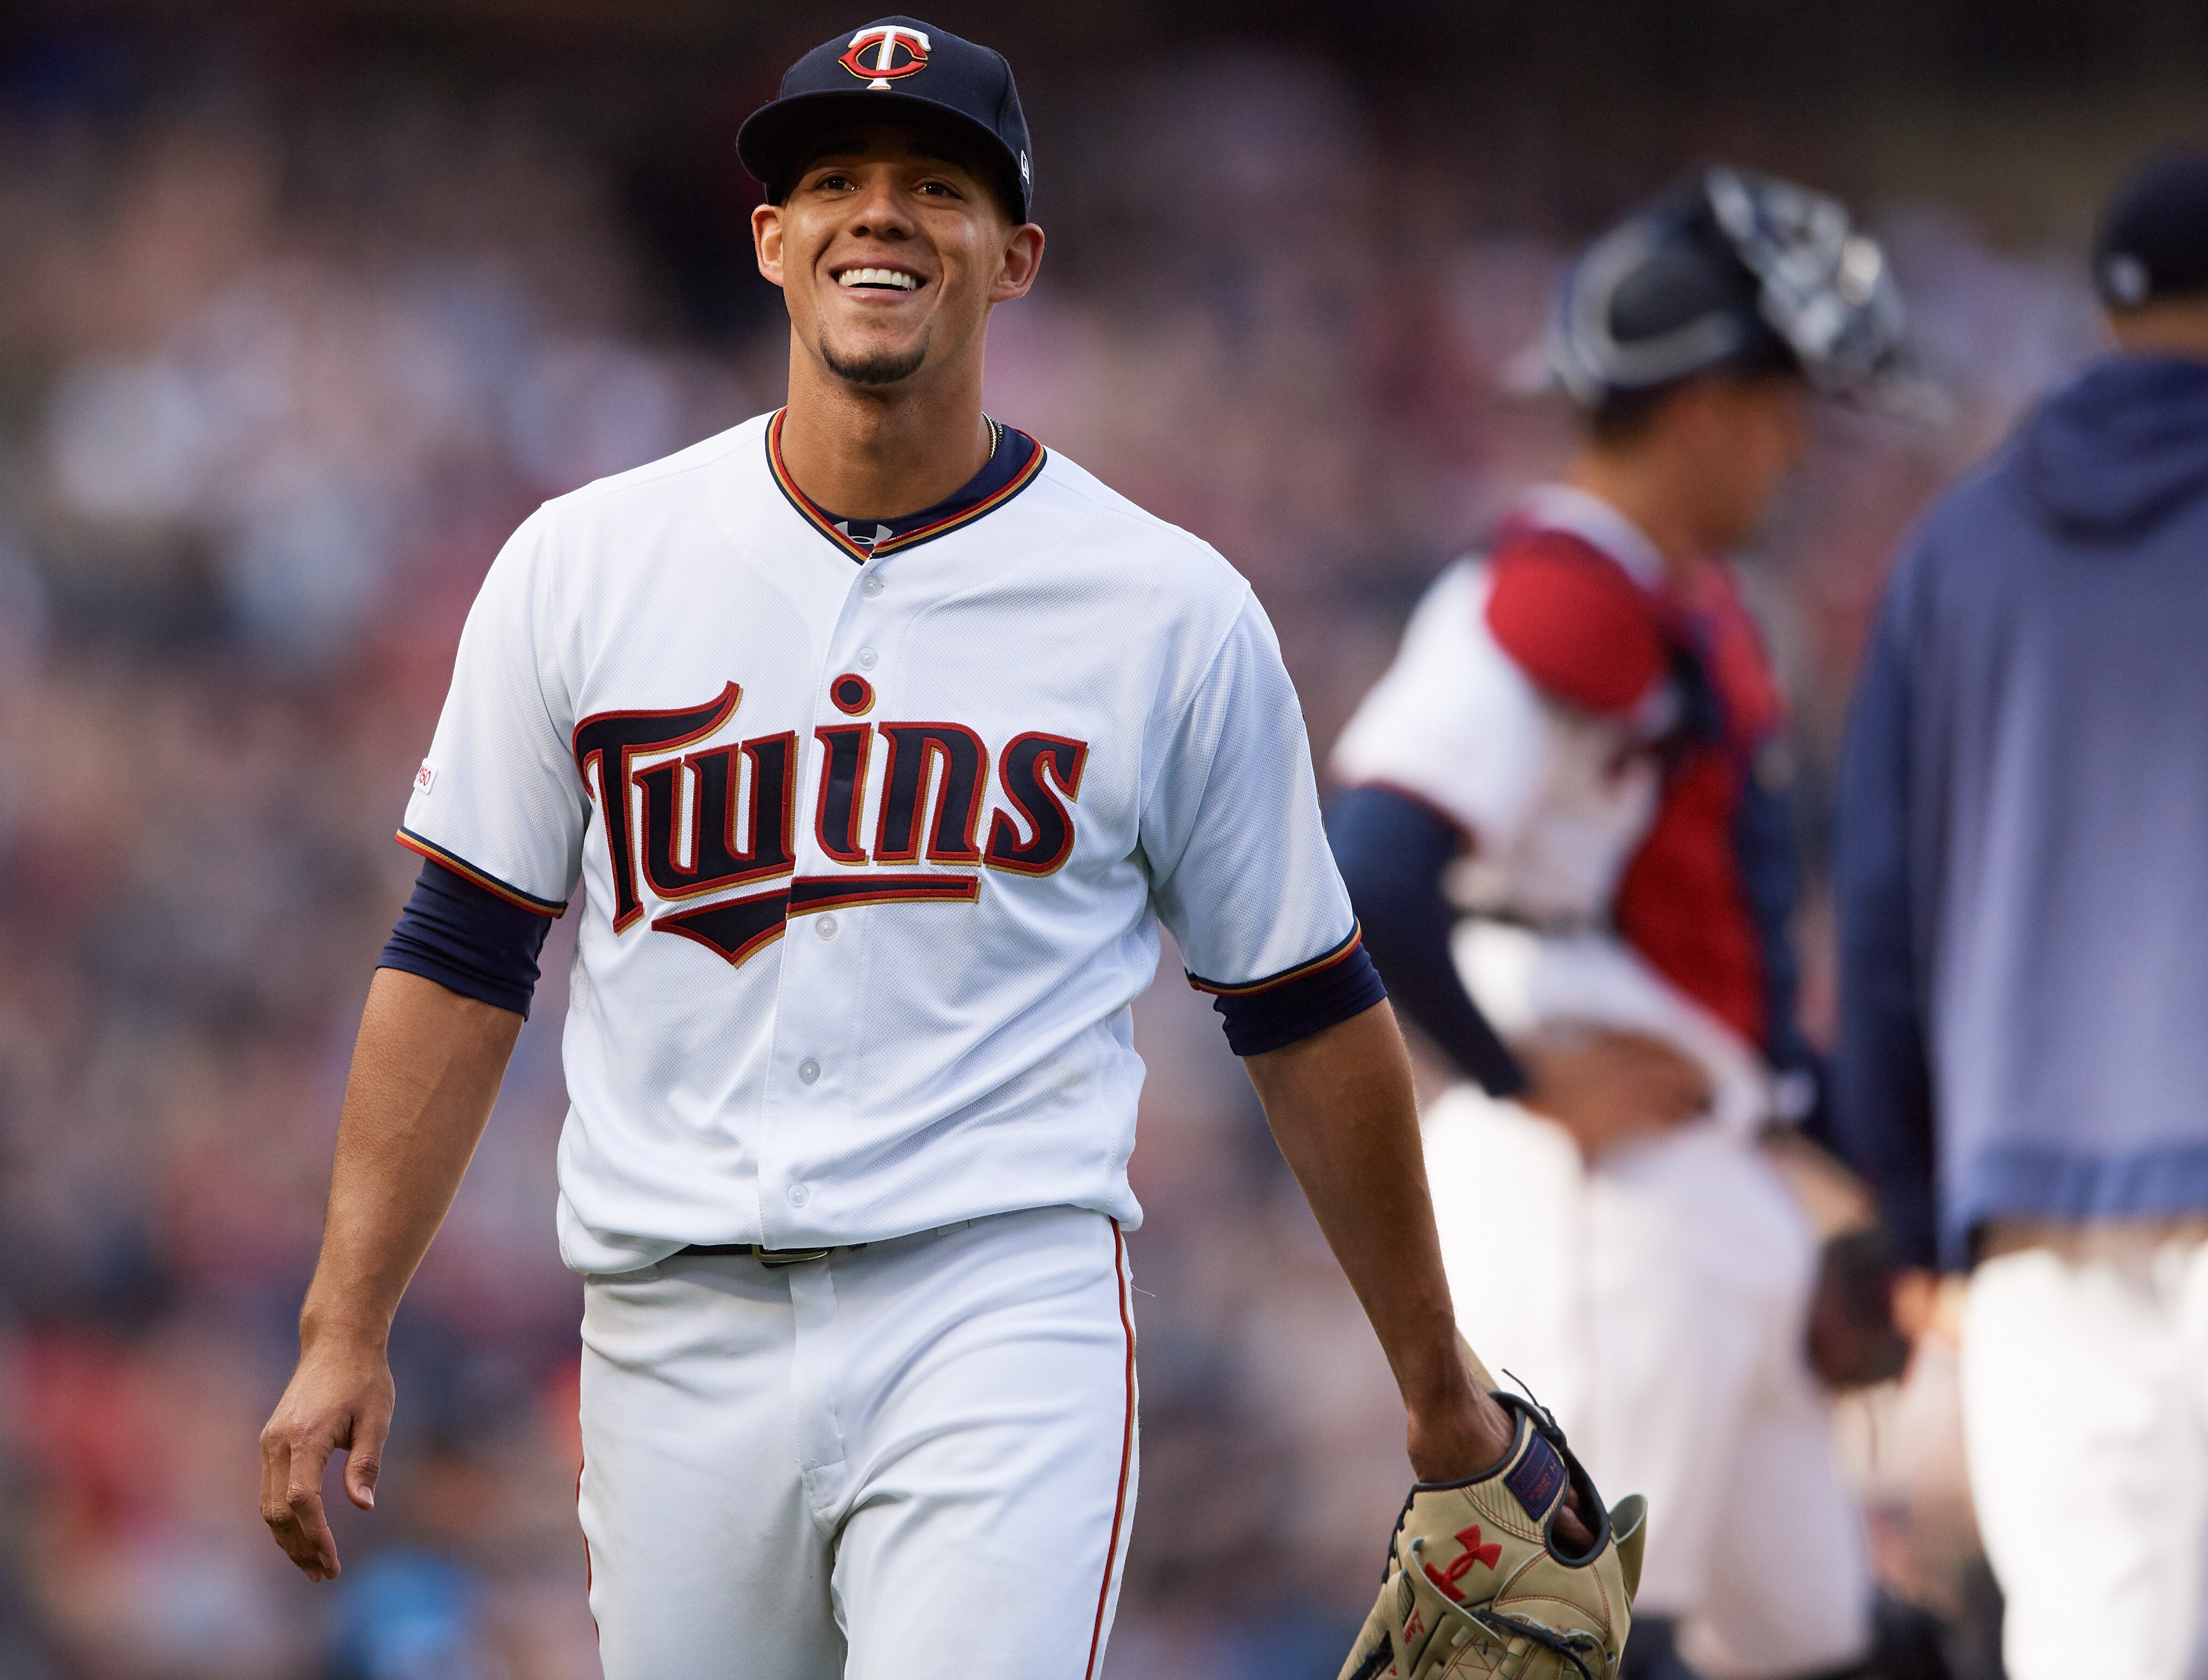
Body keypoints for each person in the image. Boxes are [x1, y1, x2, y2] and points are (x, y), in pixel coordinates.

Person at [252, 17, 1571, 1678]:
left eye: (937, 186)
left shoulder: (1166, 609)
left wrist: (1439, 1383)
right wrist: (345, 1321)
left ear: (1016, 258)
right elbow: (458, 958)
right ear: (771, 239)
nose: (879, 213)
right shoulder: (583, 566)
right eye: (836, 182)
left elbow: (1305, 1007)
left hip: (996, 1308)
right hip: (673, 1327)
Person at [1328, 169, 1920, 1680]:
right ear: (1707, 409)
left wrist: (1887, 1194)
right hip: (1605, 1202)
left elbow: (1723, 984)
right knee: (1578, 1644)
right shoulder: (1567, 585)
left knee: (1837, 1649)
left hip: (1698, 1179)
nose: (1799, 446)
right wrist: (1523, 1079)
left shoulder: (1667, 590)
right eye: (1784, 408)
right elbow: (1373, 862)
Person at [1833, 142, 2208, 1680]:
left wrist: (1911, 1206)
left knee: (2098, 1647)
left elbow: (1883, 909)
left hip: (2030, 1184)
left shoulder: (1956, 551)